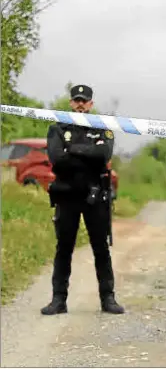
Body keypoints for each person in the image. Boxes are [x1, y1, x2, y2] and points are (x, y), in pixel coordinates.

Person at [41, 84, 125, 315]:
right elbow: (57, 159)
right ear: (71, 102)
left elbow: (103, 155)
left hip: (94, 195)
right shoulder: (58, 127)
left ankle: (108, 299)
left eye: (84, 100)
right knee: (64, 248)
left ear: (91, 104)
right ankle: (59, 300)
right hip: (67, 195)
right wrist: (86, 153)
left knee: (100, 248)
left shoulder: (102, 127)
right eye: (76, 100)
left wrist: (72, 151)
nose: (80, 104)